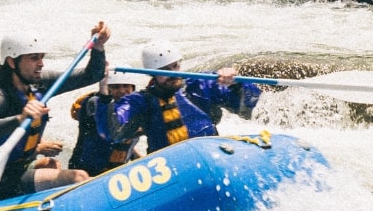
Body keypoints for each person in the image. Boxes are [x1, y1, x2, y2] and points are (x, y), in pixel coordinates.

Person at [0, 22, 110, 201]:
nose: (41, 64)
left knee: (53, 166)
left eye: (41, 57)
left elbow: (92, 75)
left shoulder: (39, 83)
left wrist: (98, 48)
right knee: (78, 178)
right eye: (33, 58)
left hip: (18, 170)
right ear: (11, 61)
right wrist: (19, 118)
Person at [98, 41, 261, 154]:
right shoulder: (140, 101)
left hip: (210, 153)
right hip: (169, 168)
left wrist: (237, 82)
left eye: (175, 66)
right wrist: (104, 92)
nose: (173, 74)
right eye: (165, 70)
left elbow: (248, 105)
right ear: (152, 73)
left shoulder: (201, 85)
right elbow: (111, 133)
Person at [68, 70, 142, 176]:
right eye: (116, 87)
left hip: (115, 172)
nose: (122, 91)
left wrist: (140, 158)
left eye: (126, 86)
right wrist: (104, 95)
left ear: (133, 88)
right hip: (88, 173)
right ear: (108, 89)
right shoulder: (94, 104)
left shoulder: (135, 107)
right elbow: (111, 132)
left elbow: (125, 143)